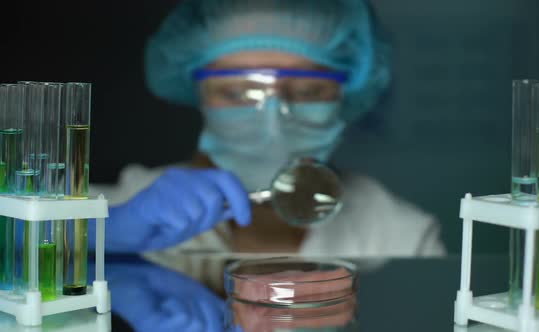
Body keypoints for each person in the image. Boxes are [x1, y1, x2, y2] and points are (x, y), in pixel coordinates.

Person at [89, 0, 445, 257]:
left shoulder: (400, 236)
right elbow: (35, 237)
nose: (272, 119)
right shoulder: (131, 205)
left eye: (307, 91)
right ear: (198, 94)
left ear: (347, 95)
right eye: (238, 92)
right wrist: (104, 231)